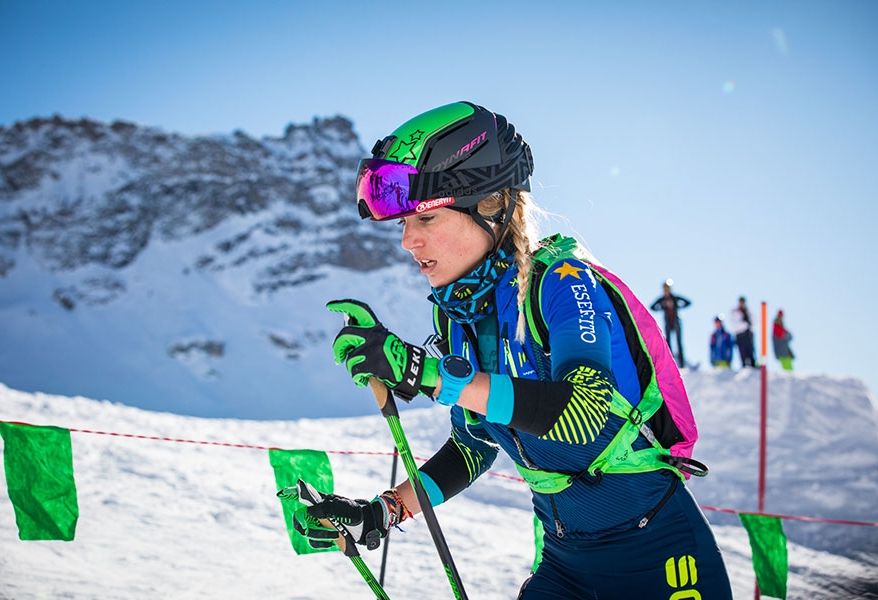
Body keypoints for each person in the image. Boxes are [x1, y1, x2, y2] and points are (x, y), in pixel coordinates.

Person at [289, 102, 732, 599]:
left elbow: (582, 417)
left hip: (661, 562)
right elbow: (472, 445)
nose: (407, 242)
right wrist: (382, 512)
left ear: (492, 203)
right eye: (402, 225)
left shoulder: (562, 285)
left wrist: (425, 373)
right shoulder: (459, 316)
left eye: (425, 220)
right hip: (565, 566)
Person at [650, 280, 691, 367]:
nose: (666, 290)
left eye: (667, 288)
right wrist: (661, 307)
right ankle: (671, 364)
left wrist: (679, 306)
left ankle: (682, 363)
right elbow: (652, 307)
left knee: (679, 343)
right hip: (668, 323)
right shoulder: (662, 300)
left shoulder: (674, 298)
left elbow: (688, 302)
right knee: (668, 343)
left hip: (676, 322)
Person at [730, 296, 757, 367]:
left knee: (750, 351)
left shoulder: (748, 311)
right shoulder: (735, 312)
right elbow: (735, 325)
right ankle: (744, 366)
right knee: (743, 352)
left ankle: (753, 365)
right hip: (740, 335)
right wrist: (746, 324)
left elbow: (755, 321)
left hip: (748, 335)